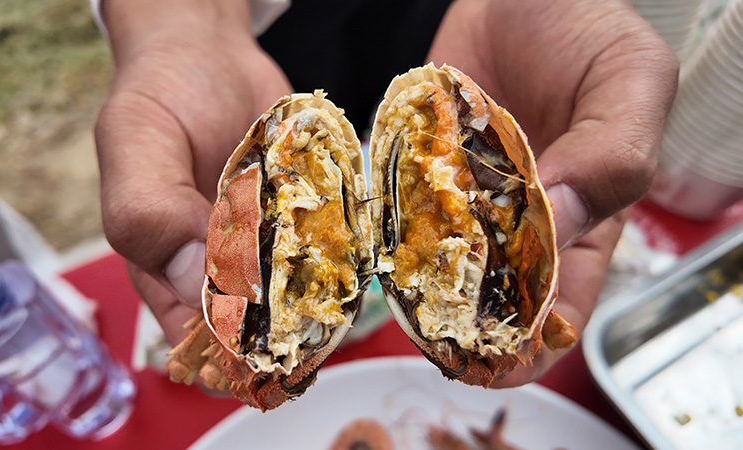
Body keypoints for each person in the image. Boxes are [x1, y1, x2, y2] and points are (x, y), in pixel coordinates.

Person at [92, 0, 678, 390]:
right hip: (266, 40)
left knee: (501, 334)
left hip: (460, 24)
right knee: (256, 353)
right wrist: (178, 23)